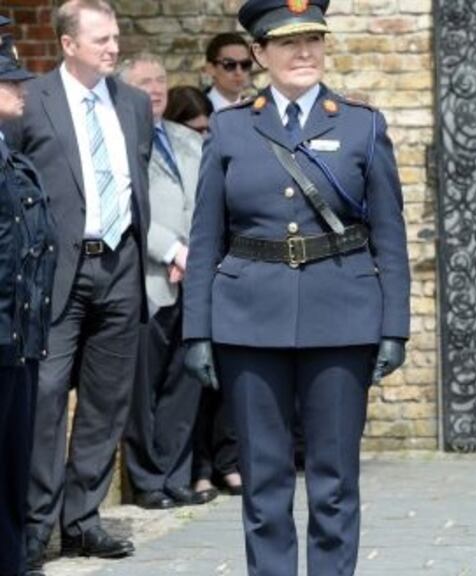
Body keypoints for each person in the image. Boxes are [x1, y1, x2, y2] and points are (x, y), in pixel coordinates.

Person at [181, 1, 410, 574]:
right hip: (248, 321)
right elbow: (206, 236)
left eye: (313, 40)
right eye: (287, 43)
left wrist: (394, 326)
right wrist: (197, 332)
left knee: (334, 481)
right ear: (259, 53)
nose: (303, 53)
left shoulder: (362, 124)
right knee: (264, 482)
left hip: (343, 317)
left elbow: (389, 233)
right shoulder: (231, 128)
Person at [0, 0, 152, 566]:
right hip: (57, 273)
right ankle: (35, 527)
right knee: (42, 400)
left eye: (115, 37)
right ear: (68, 44)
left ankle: (83, 519)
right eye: (101, 39)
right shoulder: (31, 100)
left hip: (120, 265)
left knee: (106, 402)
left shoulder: (134, 104)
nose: (113, 47)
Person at [118, 54, 215, 510]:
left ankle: (177, 475)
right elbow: (131, 207)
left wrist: (195, 253)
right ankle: (147, 481)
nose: (155, 89)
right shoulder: (121, 139)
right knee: (143, 388)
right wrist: (174, 251)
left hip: (191, 280)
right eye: (143, 82)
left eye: (160, 80)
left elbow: (206, 201)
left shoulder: (186, 139)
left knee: (184, 382)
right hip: (148, 277)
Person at [0, 21, 56, 576]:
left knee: (12, 471)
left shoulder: (10, 152)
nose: (21, 89)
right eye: (8, 80)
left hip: (18, 341)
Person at [190, 32, 254, 499]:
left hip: (245, 254)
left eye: (244, 65)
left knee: (236, 376)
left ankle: (229, 459)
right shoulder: (206, 114)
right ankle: (201, 464)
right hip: (209, 247)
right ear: (212, 67)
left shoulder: (256, 113)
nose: (237, 74)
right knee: (201, 373)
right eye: (228, 65)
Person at [204, 32, 252, 111]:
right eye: (230, 65)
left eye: (245, 64)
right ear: (211, 68)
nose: (238, 72)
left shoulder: (257, 111)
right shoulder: (194, 111)